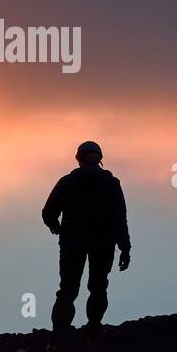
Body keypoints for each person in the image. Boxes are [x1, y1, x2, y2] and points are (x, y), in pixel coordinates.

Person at [41, 141, 131, 335]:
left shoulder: (67, 182)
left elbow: (48, 212)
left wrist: (57, 228)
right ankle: (94, 327)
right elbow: (119, 218)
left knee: (68, 288)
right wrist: (125, 248)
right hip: (104, 243)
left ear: (78, 159)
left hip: (72, 243)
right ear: (100, 159)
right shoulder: (112, 184)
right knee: (98, 286)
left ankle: (60, 332)